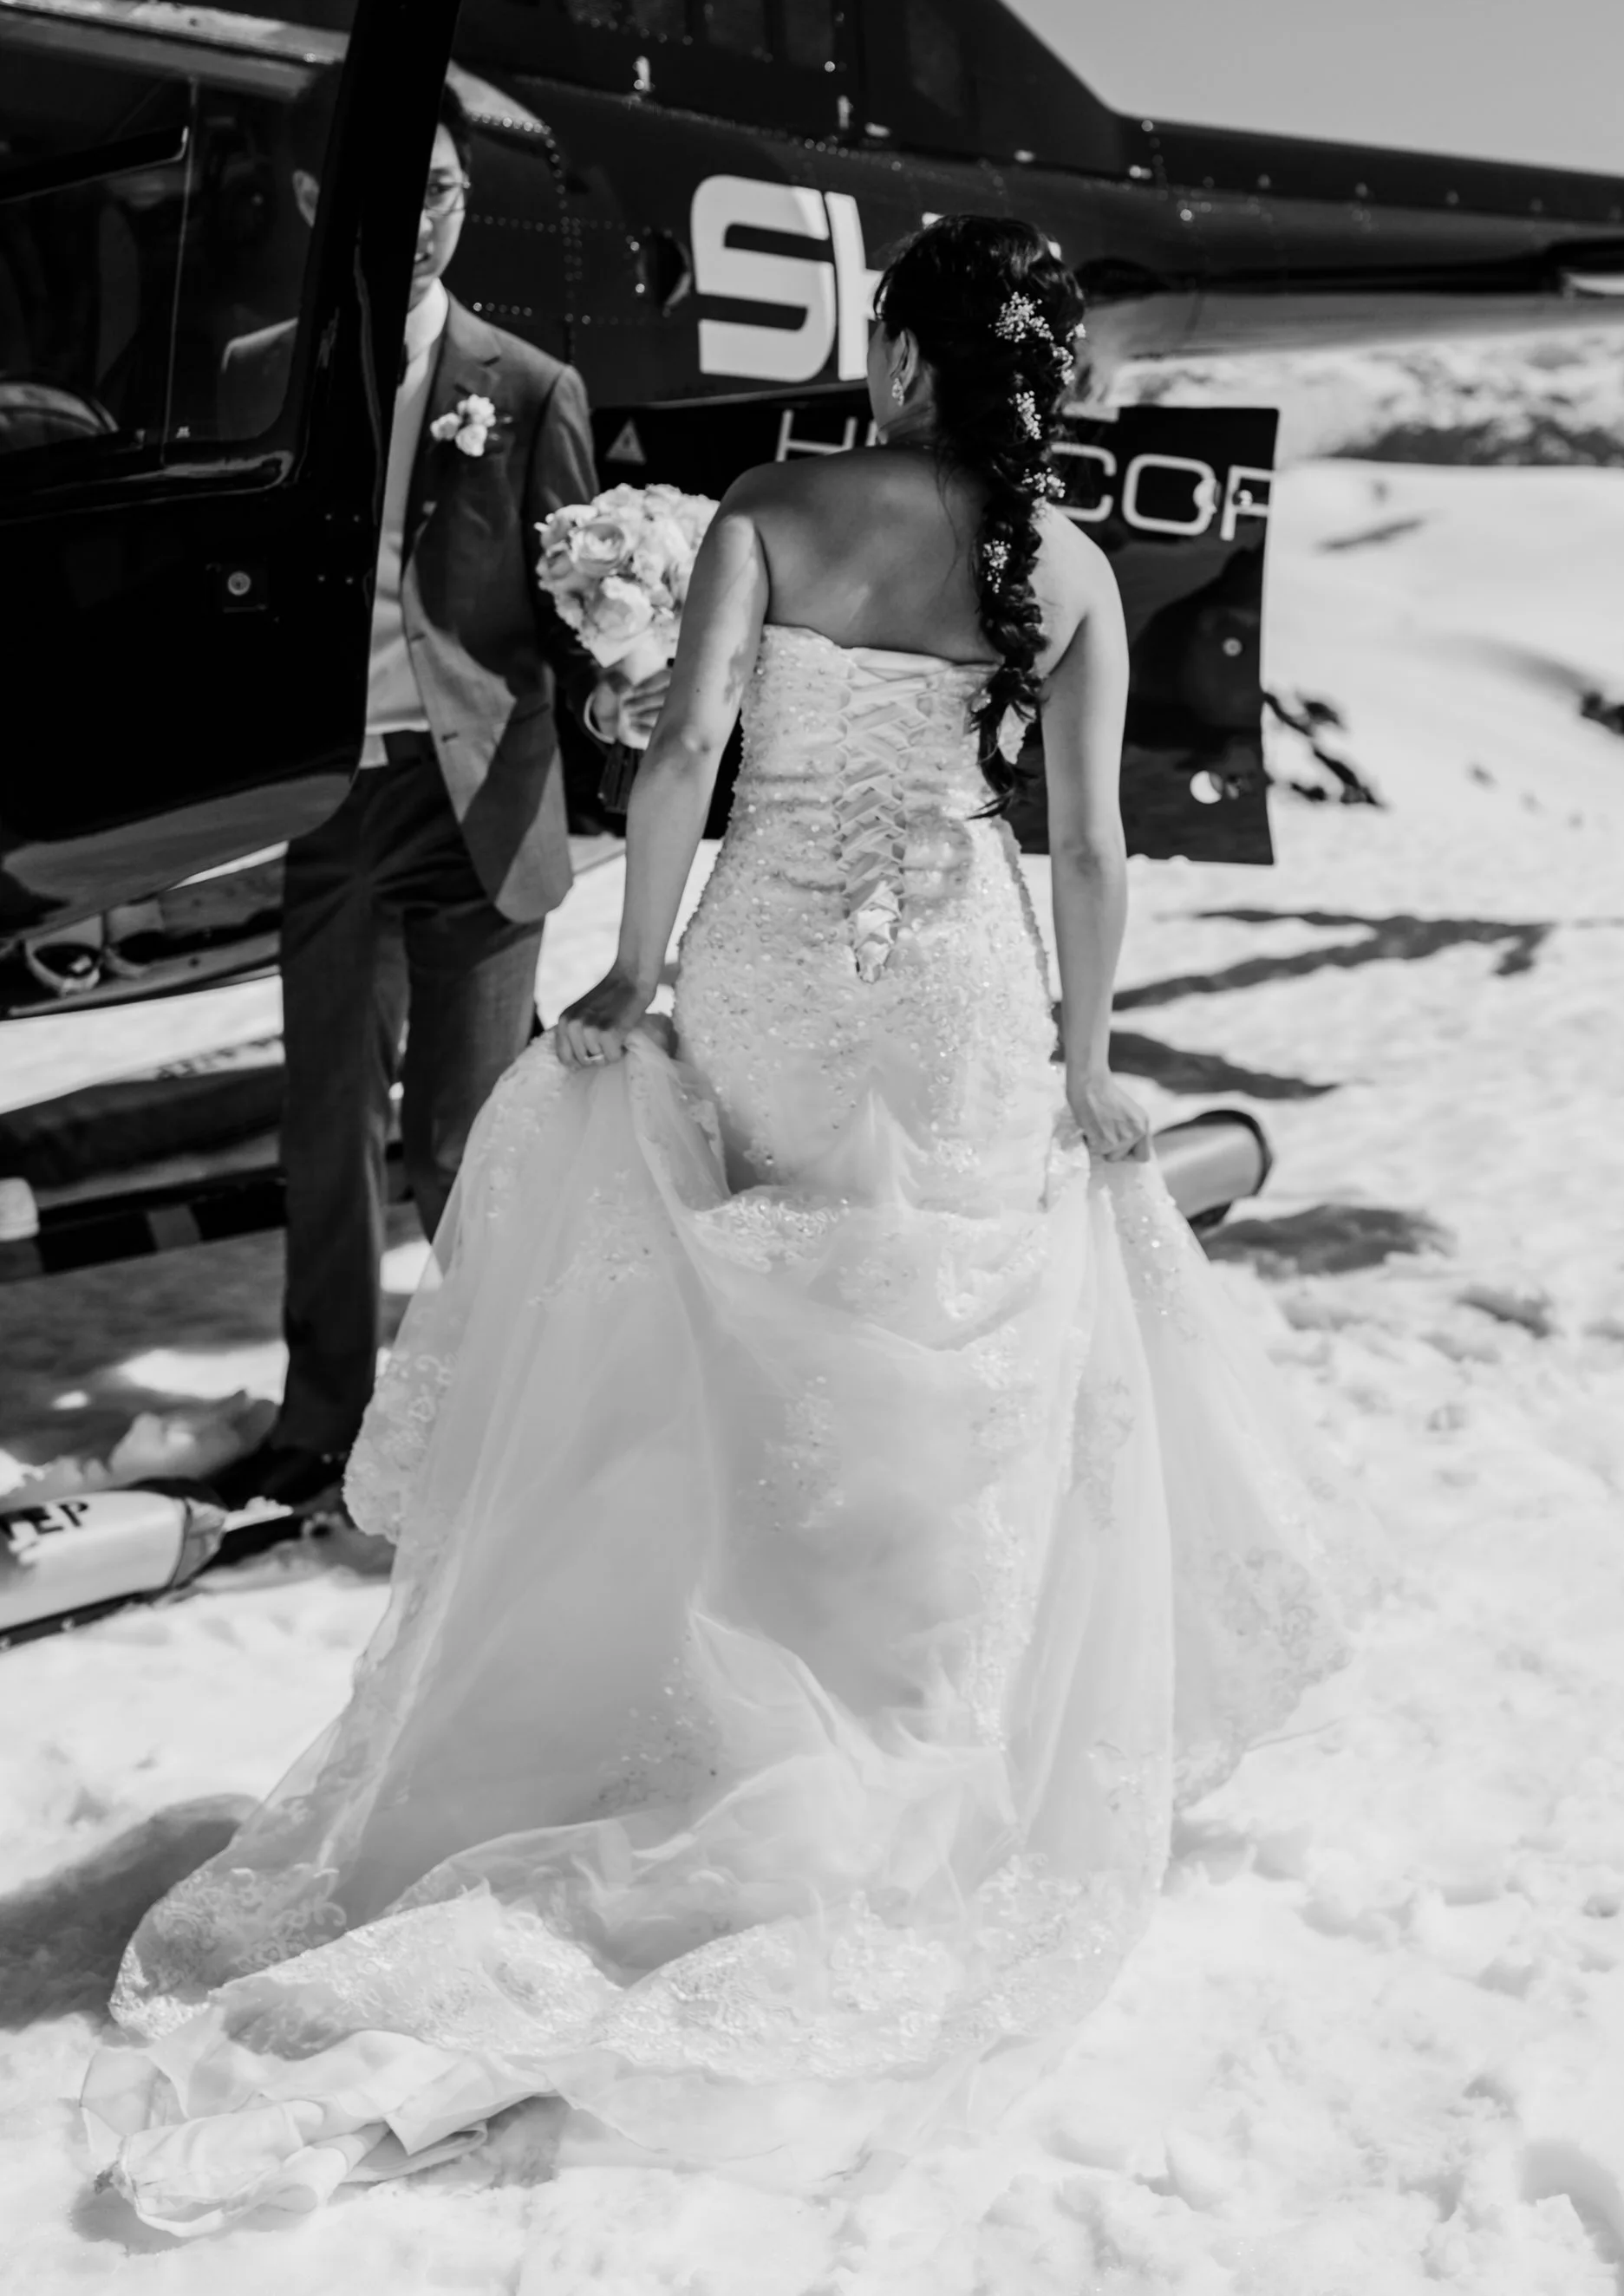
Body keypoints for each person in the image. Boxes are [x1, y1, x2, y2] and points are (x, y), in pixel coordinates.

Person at [86, 217, 1360, 2228]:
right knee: (934, 1365)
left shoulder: (774, 505)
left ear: (909, 358)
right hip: (951, 989)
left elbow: (683, 752)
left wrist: (631, 971)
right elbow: (1091, 845)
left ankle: (714, 1716)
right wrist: (1091, 1059)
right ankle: (893, 1752)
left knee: (755, 1338)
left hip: (770, 966)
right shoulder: (1072, 569)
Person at [212, 95, 598, 1515]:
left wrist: (622, 717)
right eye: (395, 187)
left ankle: (508, 1419)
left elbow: (579, 606)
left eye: (443, 188)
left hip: (478, 797)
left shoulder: (531, 386)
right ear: (321, 198)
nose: (425, 214)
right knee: (324, 1125)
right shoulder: (261, 372)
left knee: (458, 1137)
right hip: (327, 797)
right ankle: (323, 1419)